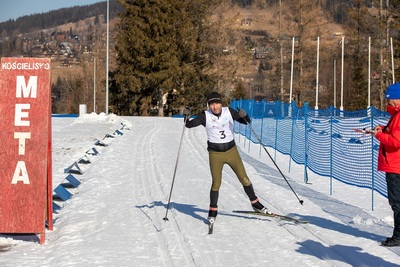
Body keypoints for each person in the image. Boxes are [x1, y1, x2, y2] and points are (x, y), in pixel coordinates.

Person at [183, 92, 269, 223]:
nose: (215, 107)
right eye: (212, 104)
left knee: (244, 179)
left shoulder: (228, 111)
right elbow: (189, 125)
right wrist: (186, 116)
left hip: (231, 152)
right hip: (215, 154)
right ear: (209, 105)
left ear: (221, 104)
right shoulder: (205, 116)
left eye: (217, 103)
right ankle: (212, 210)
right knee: (216, 183)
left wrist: (244, 115)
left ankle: (255, 203)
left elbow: (246, 122)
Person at [372, 83, 400, 247]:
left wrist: (379, 135)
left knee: (397, 203)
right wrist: (383, 129)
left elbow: (396, 141)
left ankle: (398, 235)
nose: (386, 103)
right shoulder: (396, 115)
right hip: (394, 164)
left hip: (395, 165)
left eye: (388, 100)